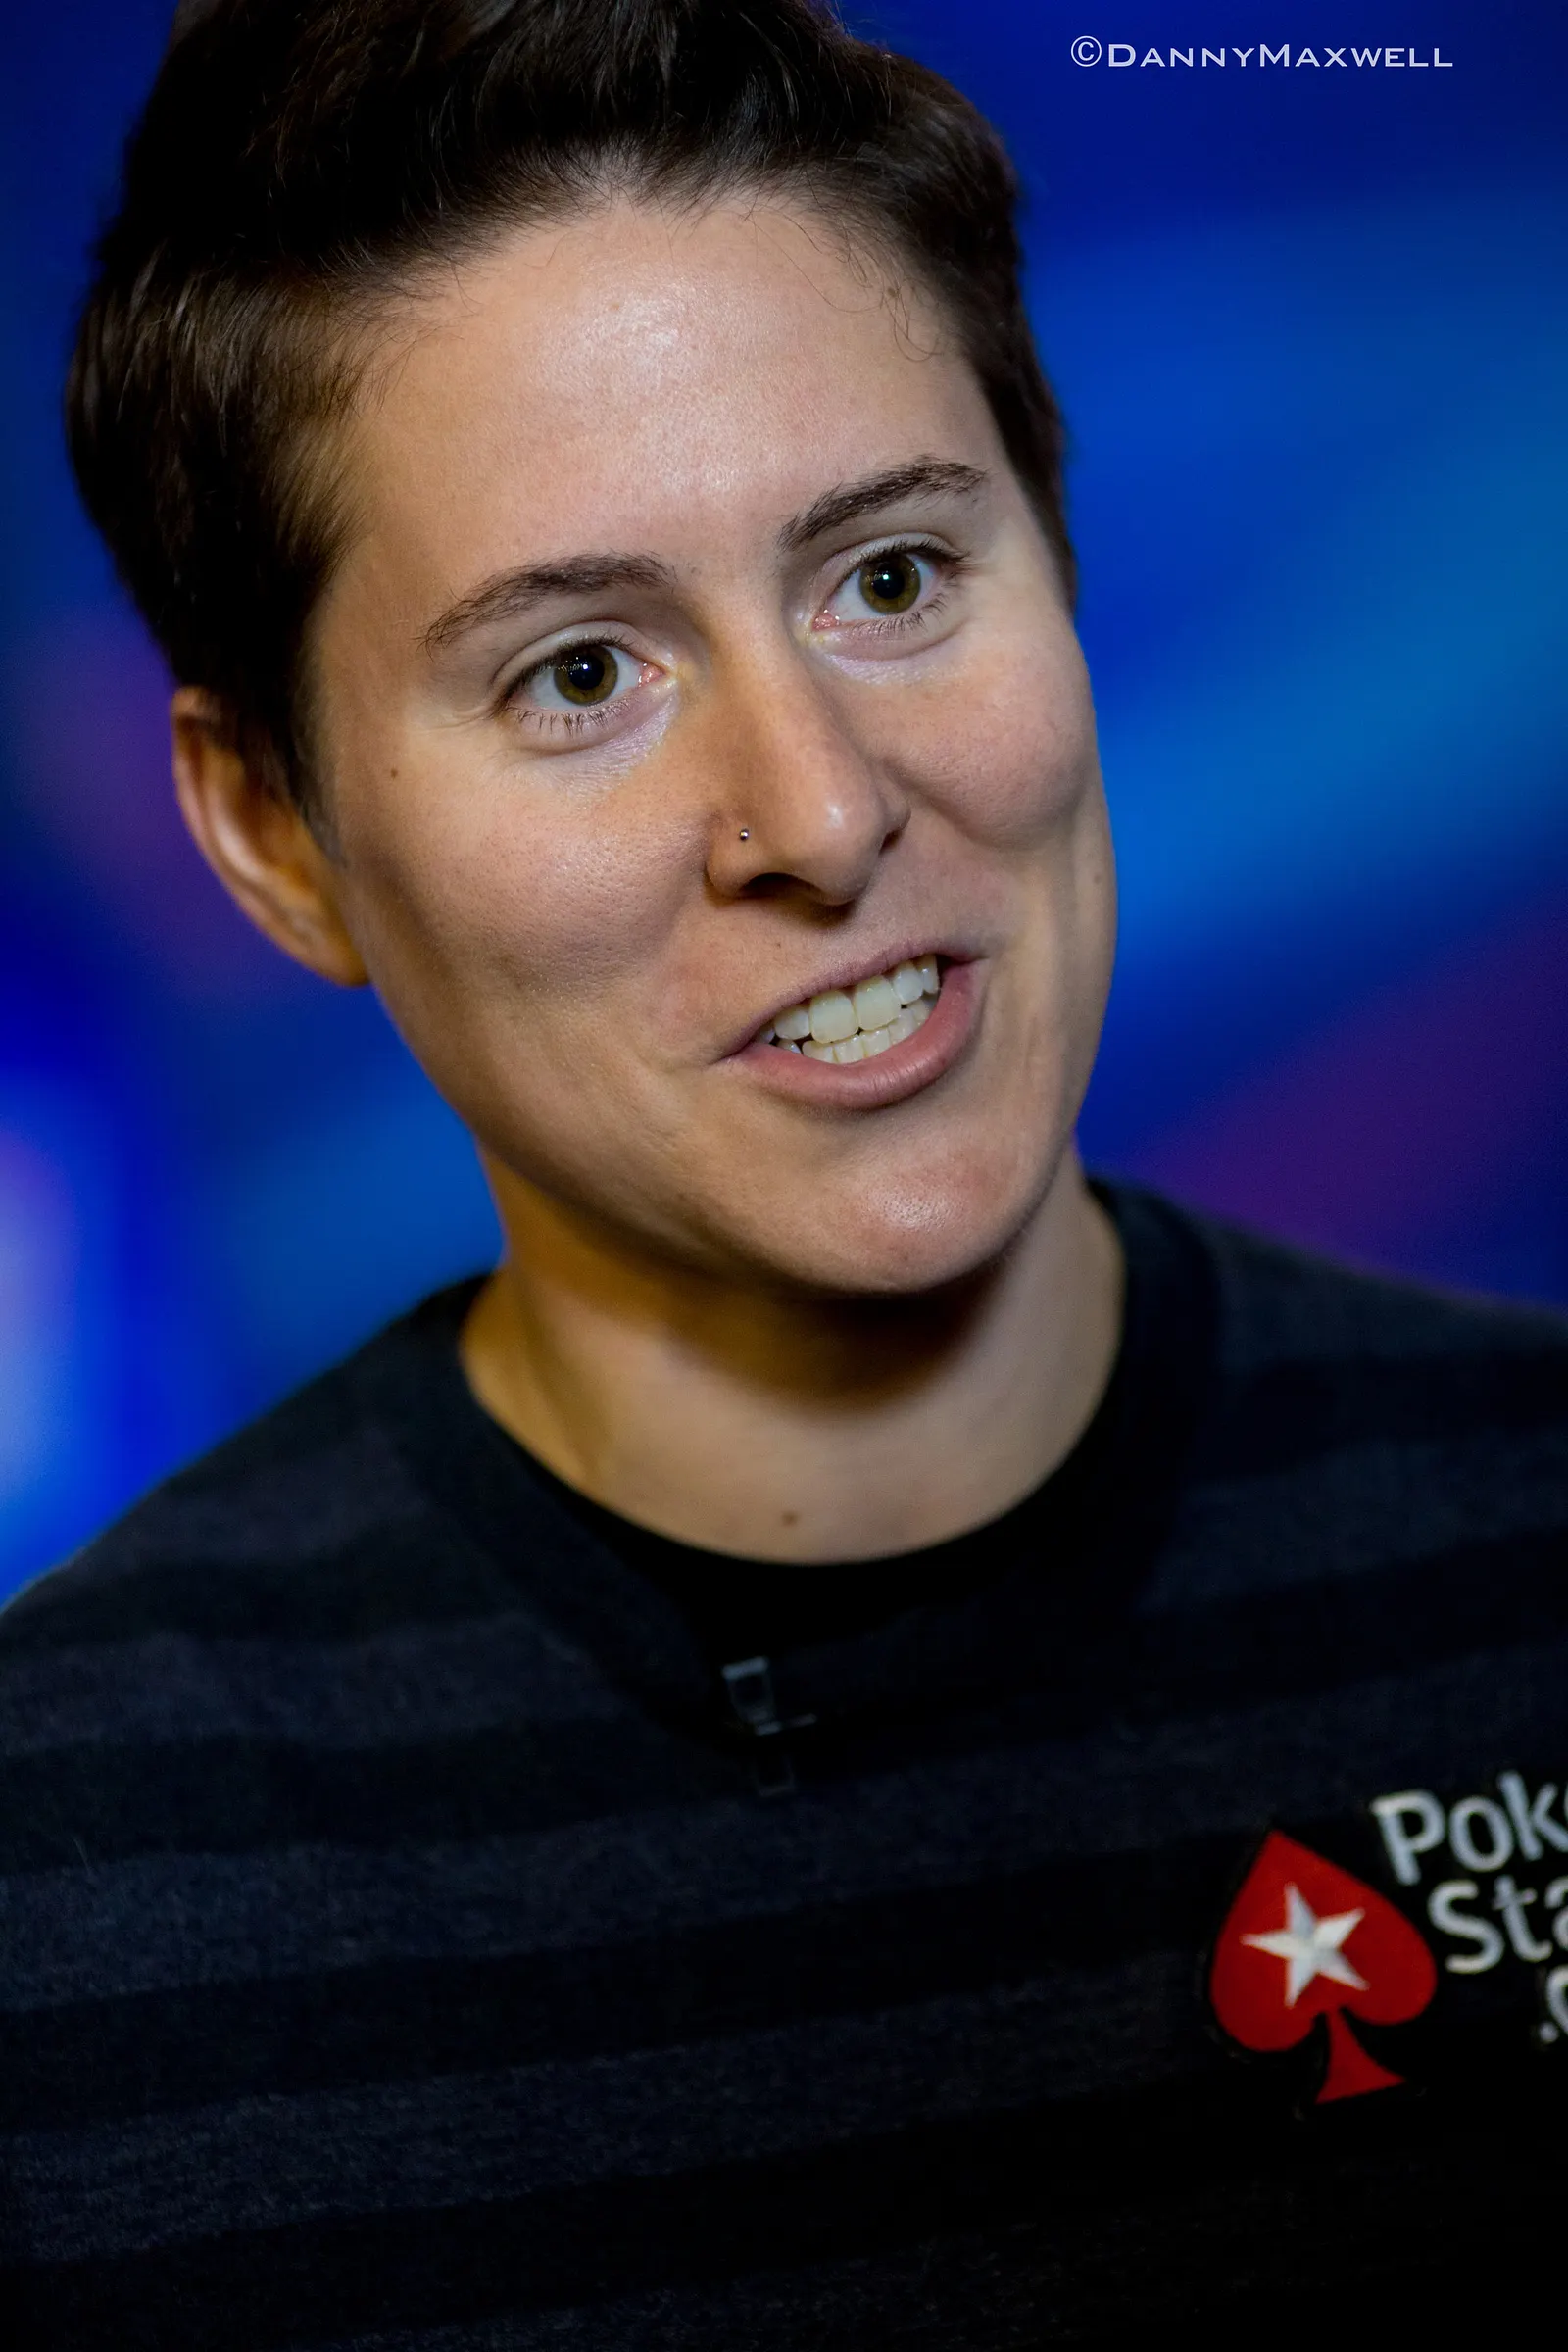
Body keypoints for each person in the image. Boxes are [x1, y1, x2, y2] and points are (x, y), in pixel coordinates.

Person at [3, 1, 1566, 2342]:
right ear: (271, 834)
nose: (821, 813)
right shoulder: (66, 1895)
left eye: (893, 578)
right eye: (577, 676)